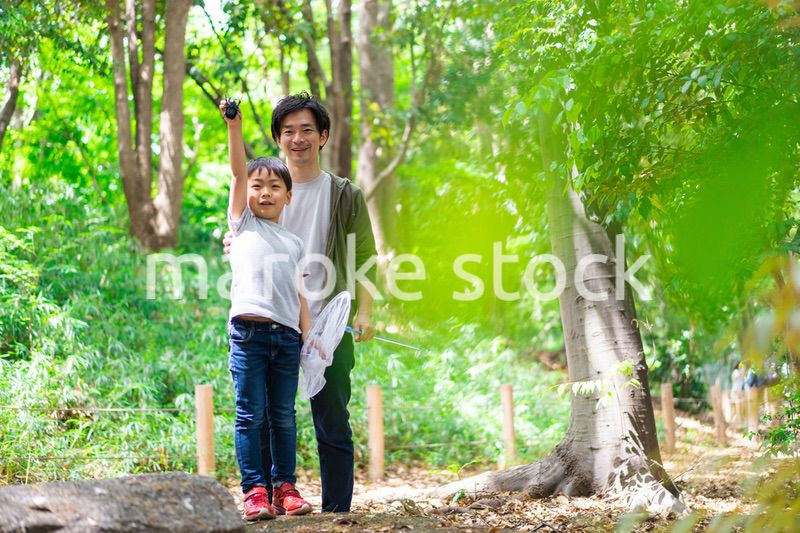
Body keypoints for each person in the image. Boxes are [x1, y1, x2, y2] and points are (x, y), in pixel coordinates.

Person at [224, 92, 378, 512]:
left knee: (331, 419)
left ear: (323, 136)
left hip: (328, 320)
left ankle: (337, 513)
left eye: (307, 130)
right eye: (288, 131)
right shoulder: (262, 192)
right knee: (267, 415)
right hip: (273, 319)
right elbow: (239, 218)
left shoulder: (346, 195)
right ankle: (269, 498)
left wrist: (365, 310)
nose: (298, 139)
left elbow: (366, 256)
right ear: (278, 139)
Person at [221, 100, 314, 521]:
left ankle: (285, 488)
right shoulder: (242, 225)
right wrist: (234, 128)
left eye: (275, 187)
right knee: (249, 414)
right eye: (258, 186)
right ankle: (255, 491)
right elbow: (239, 171)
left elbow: (299, 297)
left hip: (286, 338)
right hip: (248, 335)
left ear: (288, 197)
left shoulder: (293, 243)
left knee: (282, 415)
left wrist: (308, 336)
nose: (264, 192)